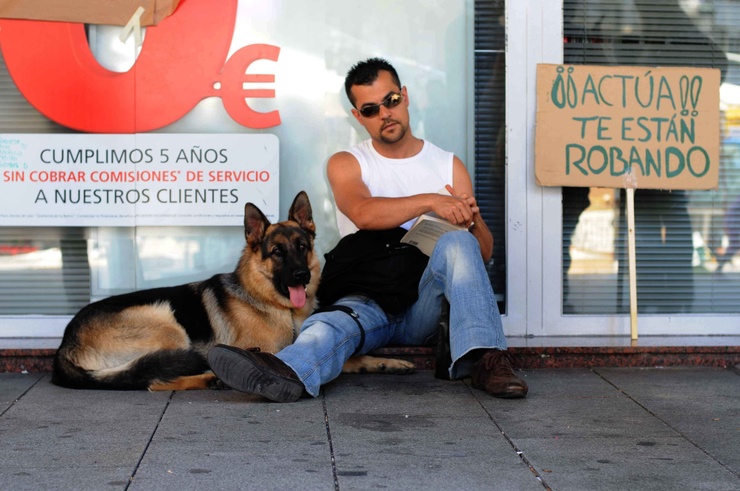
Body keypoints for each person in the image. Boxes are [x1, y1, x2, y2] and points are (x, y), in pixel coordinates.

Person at [207, 57, 527, 402]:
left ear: (404, 96)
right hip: (368, 298)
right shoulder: (347, 163)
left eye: (390, 101)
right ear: (358, 117)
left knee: (459, 243)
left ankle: (488, 358)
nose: (385, 114)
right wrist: (432, 201)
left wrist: (471, 220)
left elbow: (482, 255)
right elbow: (363, 213)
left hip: (424, 301)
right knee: (325, 327)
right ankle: (285, 373)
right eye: (371, 109)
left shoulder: (447, 164)